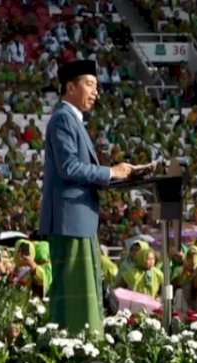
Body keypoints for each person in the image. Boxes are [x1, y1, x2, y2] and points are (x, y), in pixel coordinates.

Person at [39, 60, 134, 338]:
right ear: (70, 87)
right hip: (70, 220)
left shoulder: (72, 120)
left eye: (96, 86)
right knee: (75, 297)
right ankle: (78, 348)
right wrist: (110, 172)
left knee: (82, 293)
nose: (96, 92)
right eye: (89, 84)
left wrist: (118, 175)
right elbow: (68, 167)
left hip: (80, 221)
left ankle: (81, 346)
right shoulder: (62, 119)